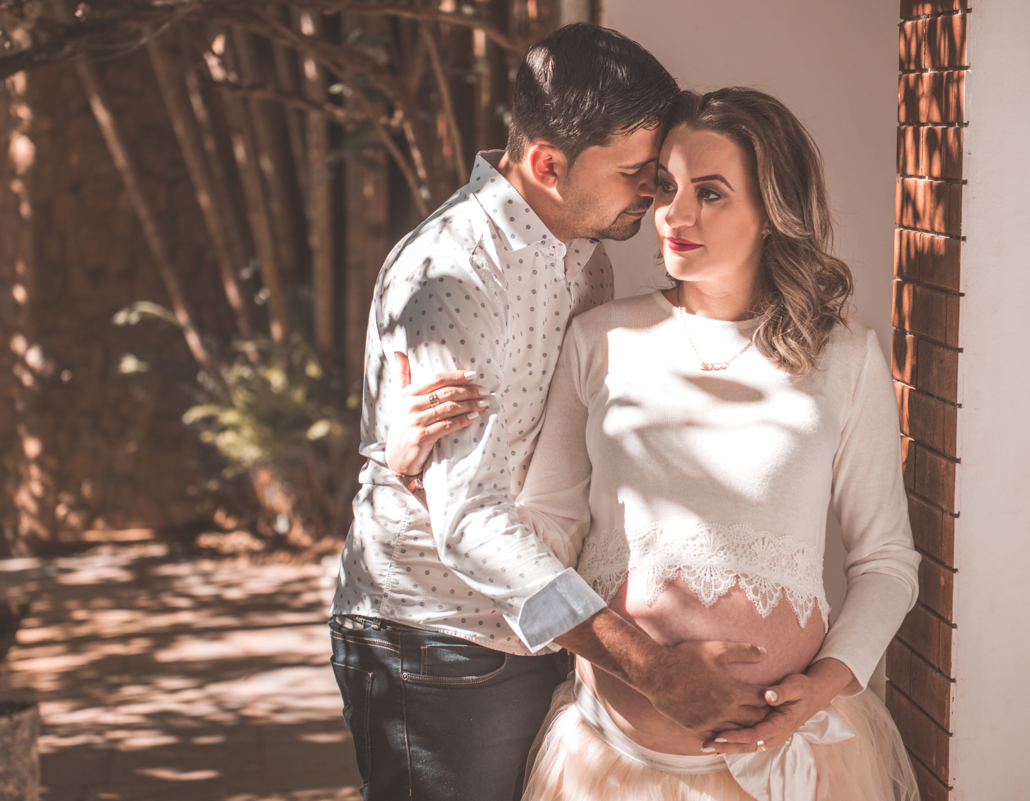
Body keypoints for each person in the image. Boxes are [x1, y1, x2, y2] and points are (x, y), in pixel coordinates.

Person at [400, 87, 922, 800]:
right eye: (667, 188)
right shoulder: (600, 337)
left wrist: (827, 683)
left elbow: (887, 561)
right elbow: (544, 532)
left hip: (796, 767)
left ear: (774, 209)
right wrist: (431, 479)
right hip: (609, 767)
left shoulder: (847, 357)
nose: (675, 216)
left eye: (711, 193)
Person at [330, 24, 777, 801]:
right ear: (546, 165)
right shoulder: (453, 278)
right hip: (439, 638)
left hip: (543, 633)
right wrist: (651, 668)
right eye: (637, 173)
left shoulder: (585, 260)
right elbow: (470, 519)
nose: (655, 193)